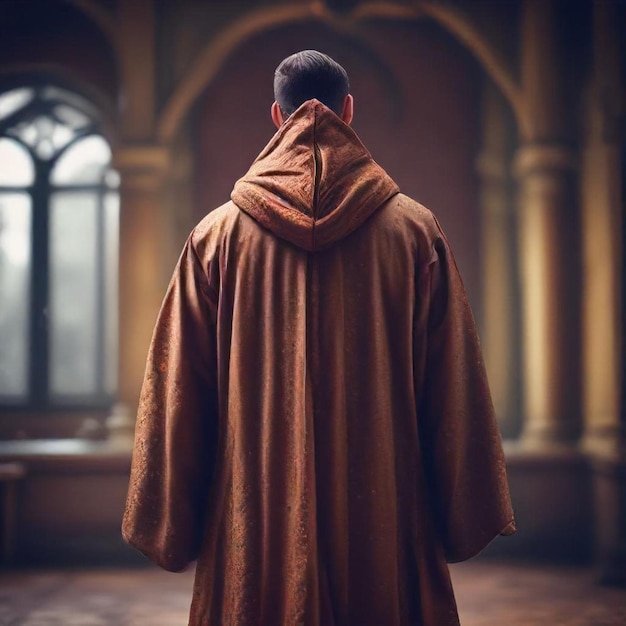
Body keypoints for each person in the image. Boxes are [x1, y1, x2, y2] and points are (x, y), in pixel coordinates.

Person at [122, 50, 515, 626]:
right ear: (348, 111)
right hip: (384, 513)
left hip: (253, 516)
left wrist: (171, 520)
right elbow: (452, 386)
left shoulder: (216, 236)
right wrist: (461, 511)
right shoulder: (414, 231)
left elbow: (179, 389)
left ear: (276, 117)